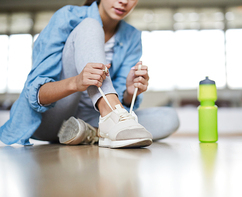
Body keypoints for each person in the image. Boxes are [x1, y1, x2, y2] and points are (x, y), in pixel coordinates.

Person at [0, 0, 180, 148]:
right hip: (52, 119)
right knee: (90, 25)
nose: (124, 1)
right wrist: (76, 82)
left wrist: (130, 92)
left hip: (91, 117)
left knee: (169, 119)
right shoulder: (68, 17)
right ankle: (108, 122)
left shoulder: (131, 36)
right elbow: (37, 94)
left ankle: (90, 132)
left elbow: (124, 103)